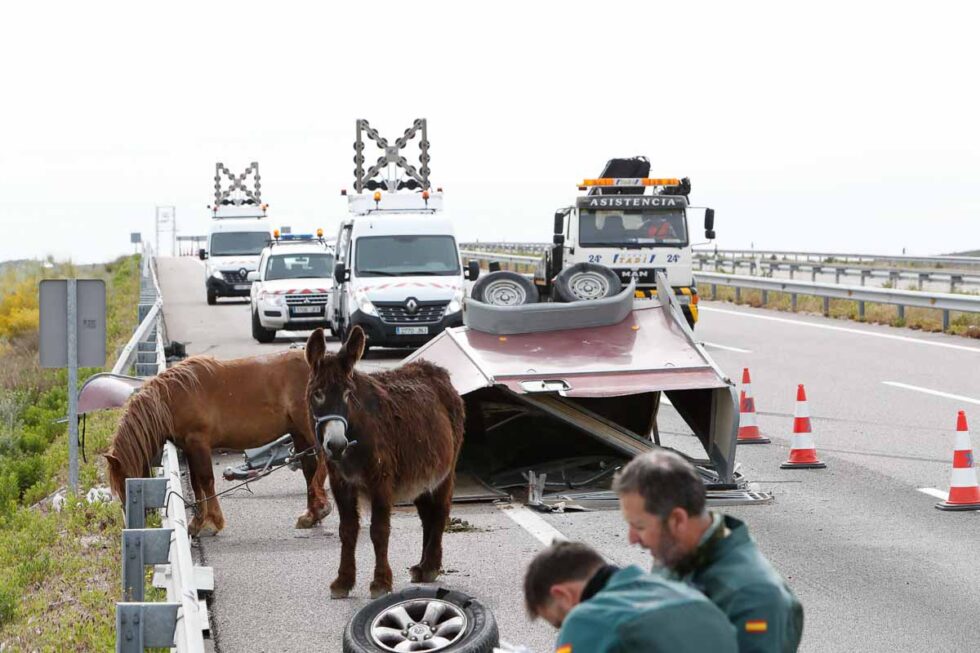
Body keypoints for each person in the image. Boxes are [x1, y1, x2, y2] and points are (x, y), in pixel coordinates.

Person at [613, 450, 804, 653]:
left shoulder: (754, 598)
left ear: (677, 520)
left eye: (640, 526)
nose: (632, 538)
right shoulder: (674, 551)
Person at [523, 540, 737, 653]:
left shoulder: (586, 619)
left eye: (559, 621)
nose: (564, 628)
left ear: (561, 595)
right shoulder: (685, 591)